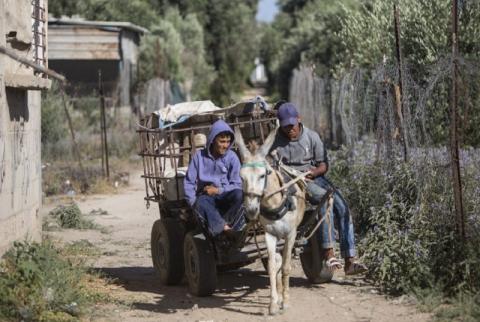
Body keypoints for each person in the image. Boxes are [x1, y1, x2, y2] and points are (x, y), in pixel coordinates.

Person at [270, 102, 367, 275]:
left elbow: (324, 165)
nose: (289, 130)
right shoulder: (275, 141)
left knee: (343, 208)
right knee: (325, 200)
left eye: (292, 125)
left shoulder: (312, 136)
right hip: (293, 183)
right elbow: (270, 167)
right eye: (285, 127)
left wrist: (314, 172)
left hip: (315, 178)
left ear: (298, 119)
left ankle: (350, 260)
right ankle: (328, 253)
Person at [184, 119, 245, 237]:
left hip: (225, 196)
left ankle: (224, 225)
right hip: (206, 198)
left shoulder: (232, 157)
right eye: (222, 141)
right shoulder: (199, 157)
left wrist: (218, 190)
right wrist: (193, 204)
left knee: (239, 194)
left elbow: (237, 184)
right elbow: (189, 182)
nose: (225, 145)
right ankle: (225, 229)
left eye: (228, 141)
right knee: (200, 201)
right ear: (212, 140)